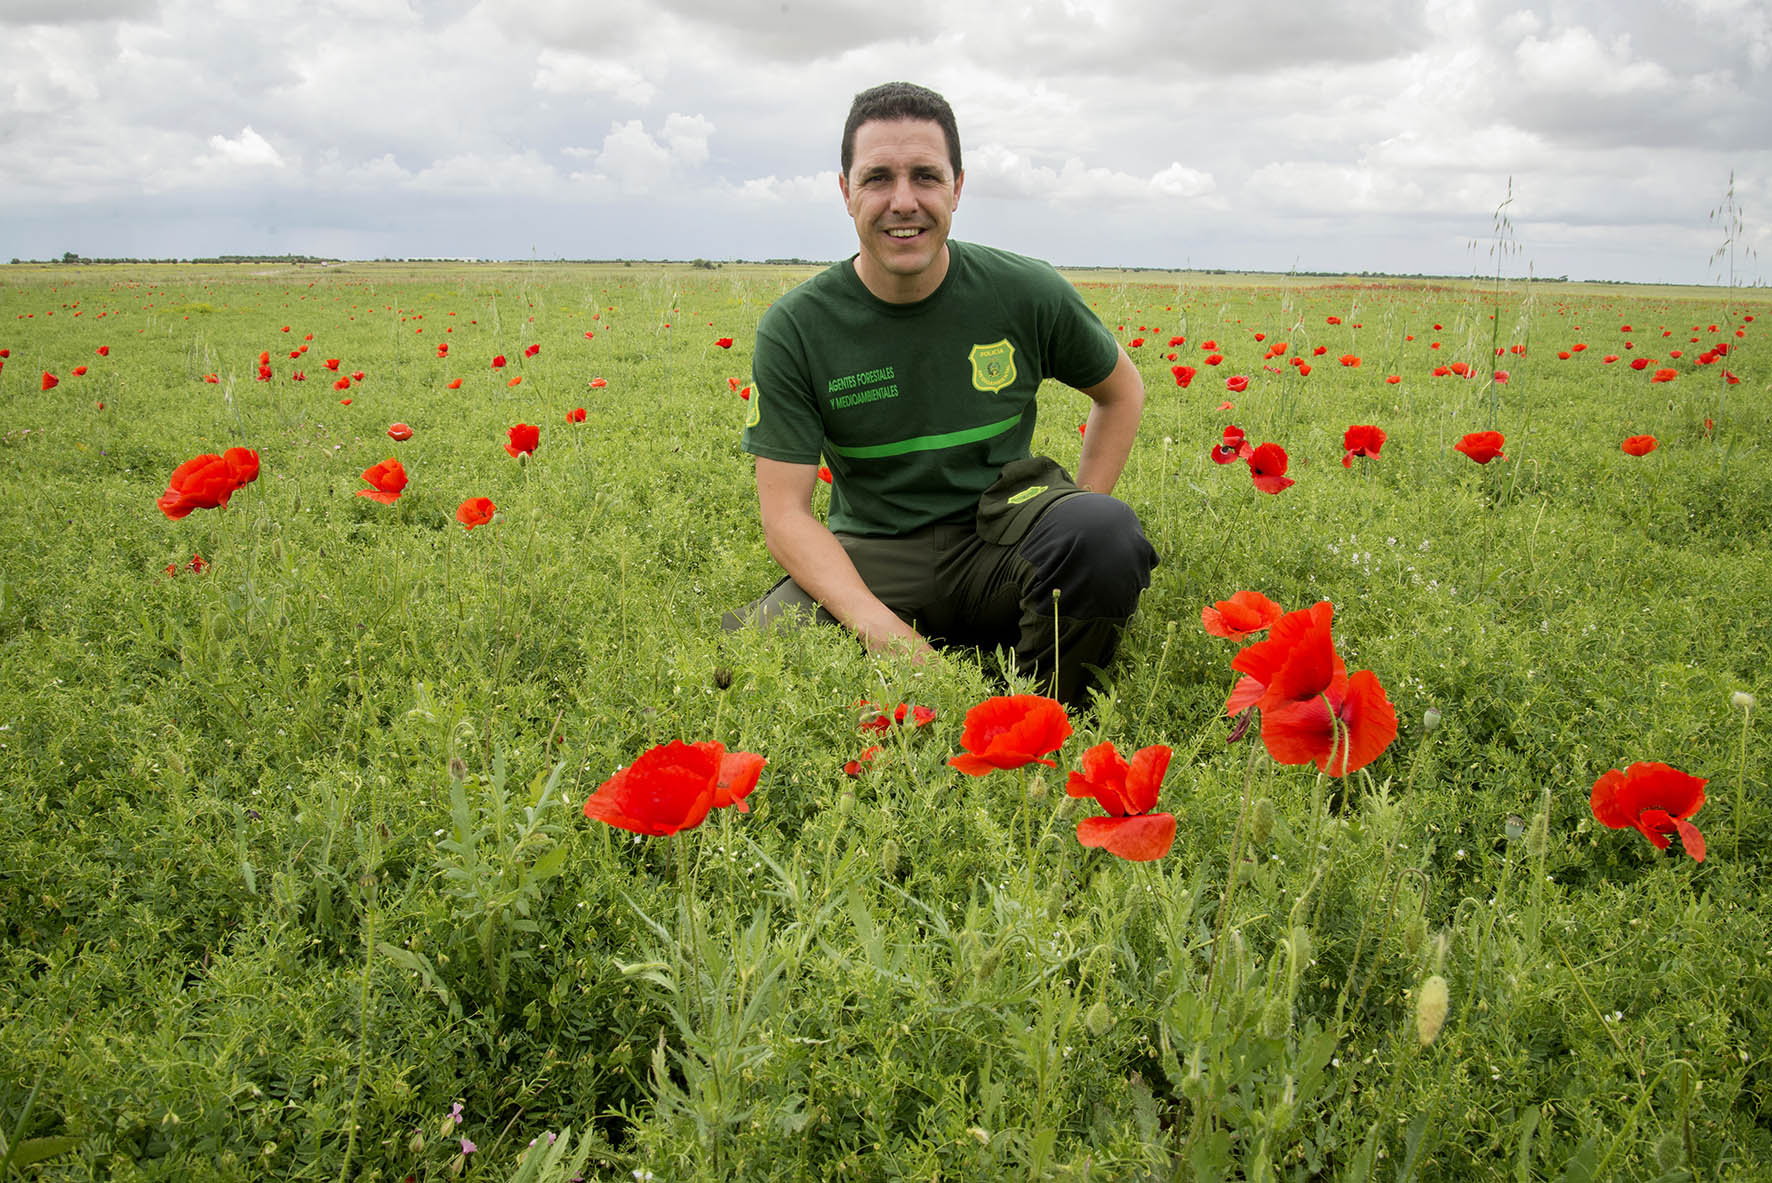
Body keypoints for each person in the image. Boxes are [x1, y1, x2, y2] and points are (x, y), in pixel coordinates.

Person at [724, 81, 1158, 707]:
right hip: (876, 554)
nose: (904, 201)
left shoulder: (1024, 290)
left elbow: (1122, 391)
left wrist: (1078, 542)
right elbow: (786, 516)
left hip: (1002, 536)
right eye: (878, 178)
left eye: (925, 176)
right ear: (846, 192)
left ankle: (1044, 717)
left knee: (1102, 534)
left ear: (957, 186)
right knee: (761, 653)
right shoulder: (798, 326)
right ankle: (939, 664)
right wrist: (886, 636)